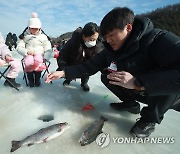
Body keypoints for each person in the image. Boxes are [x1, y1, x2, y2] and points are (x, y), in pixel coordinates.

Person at [45, 7, 180, 138]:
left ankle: (149, 119)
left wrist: (138, 83)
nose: (108, 40)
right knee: (108, 76)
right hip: (137, 89)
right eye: (105, 37)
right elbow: (89, 66)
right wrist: (63, 73)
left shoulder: (158, 40)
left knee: (166, 76)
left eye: (111, 35)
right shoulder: (111, 49)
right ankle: (130, 104)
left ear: (128, 28)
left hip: (166, 95)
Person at [56, 22, 102, 91]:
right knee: (69, 72)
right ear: (84, 36)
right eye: (91, 39)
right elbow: (62, 56)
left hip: (85, 67)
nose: (93, 42)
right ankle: (68, 79)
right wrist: (65, 70)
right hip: (72, 64)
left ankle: (84, 83)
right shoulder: (73, 42)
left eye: (95, 39)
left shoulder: (98, 45)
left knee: (86, 72)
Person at [16, 12, 52, 87]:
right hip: (28, 54)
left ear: (39, 28)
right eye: (32, 28)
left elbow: (48, 48)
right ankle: (30, 80)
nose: (34, 30)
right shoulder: (24, 36)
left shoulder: (43, 37)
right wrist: (26, 52)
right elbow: (19, 47)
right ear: (29, 28)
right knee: (29, 61)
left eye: (36, 29)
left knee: (38, 60)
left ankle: (37, 80)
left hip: (39, 54)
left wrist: (46, 57)